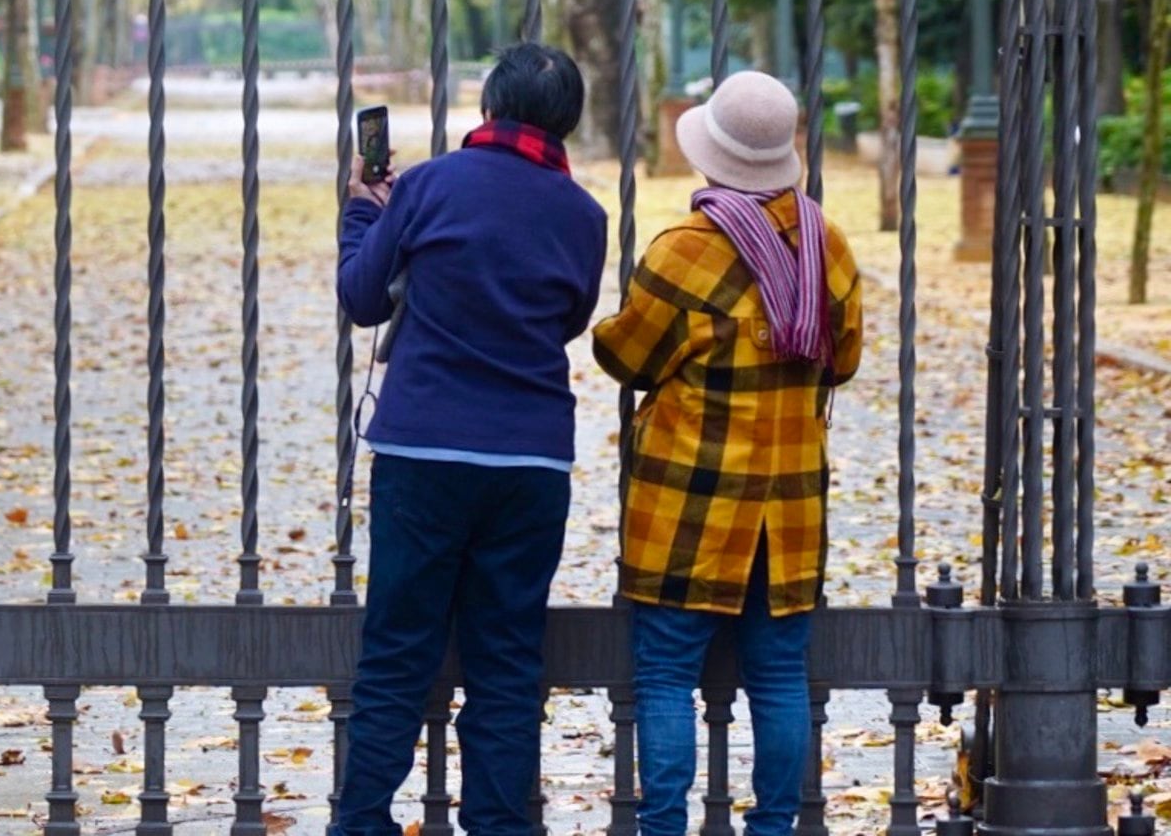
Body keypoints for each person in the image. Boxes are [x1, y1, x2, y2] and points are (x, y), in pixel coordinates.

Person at [332, 42, 608, 836]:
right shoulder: (584, 215)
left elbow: (361, 299)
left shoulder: (427, 186)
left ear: (488, 107)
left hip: (425, 451)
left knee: (397, 651)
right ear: (568, 123)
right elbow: (568, 318)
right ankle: (497, 824)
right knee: (509, 661)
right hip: (530, 459)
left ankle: (361, 820)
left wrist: (363, 210)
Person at [591, 70, 863, 836]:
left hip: (689, 507)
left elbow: (629, 358)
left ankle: (664, 827)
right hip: (789, 512)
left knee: (666, 676)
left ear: (712, 153)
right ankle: (774, 829)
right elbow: (842, 360)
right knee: (779, 679)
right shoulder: (826, 245)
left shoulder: (686, 252)